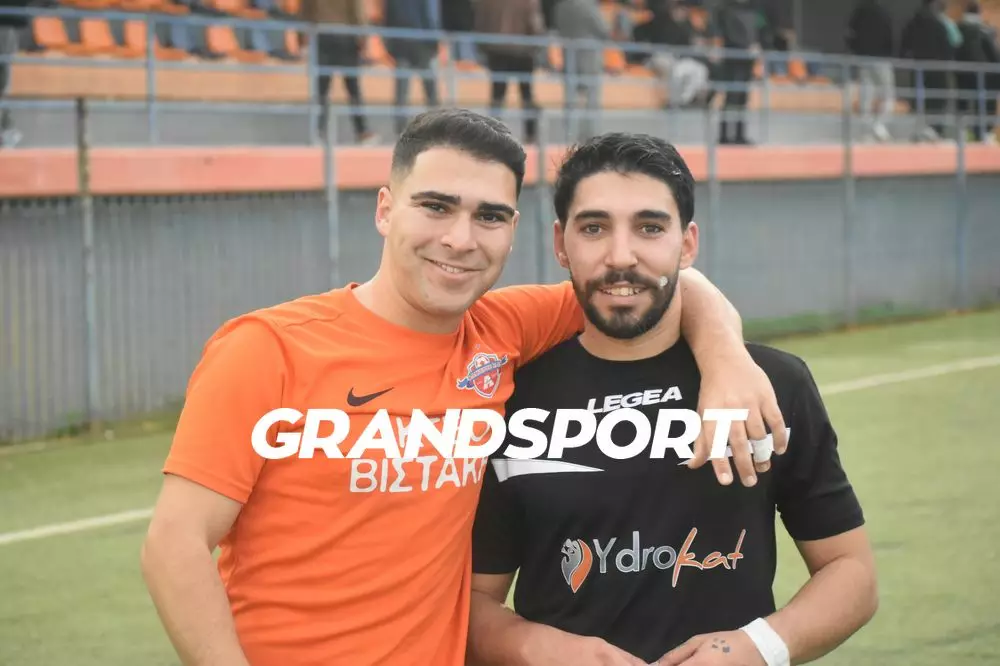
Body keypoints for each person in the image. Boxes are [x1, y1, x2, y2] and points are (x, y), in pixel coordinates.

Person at [139, 109, 788, 666]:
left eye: (490, 216)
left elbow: (651, 279)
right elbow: (175, 545)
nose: (459, 239)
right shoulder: (267, 348)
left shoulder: (503, 330)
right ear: (385, 209)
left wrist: (726, 359)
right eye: (436, 206)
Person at [466, 132, 879, 666]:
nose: (621, 256)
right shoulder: (510, 401)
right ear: (560, 243)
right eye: (593, 228)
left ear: (687, 244)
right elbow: (473, 602)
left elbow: (851, 572)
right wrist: (542, 649)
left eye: (650, 227)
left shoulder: (768, 386)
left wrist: (754, 648)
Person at [846, 0, 896, 142]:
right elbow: (889, 37)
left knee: (866, 94)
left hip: (864, 58)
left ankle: (866, 132)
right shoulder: (883, 12)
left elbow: (850, 34)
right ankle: (880, 126)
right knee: (887, 94)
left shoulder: (859, 10)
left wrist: (856, 51)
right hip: (881, 59)